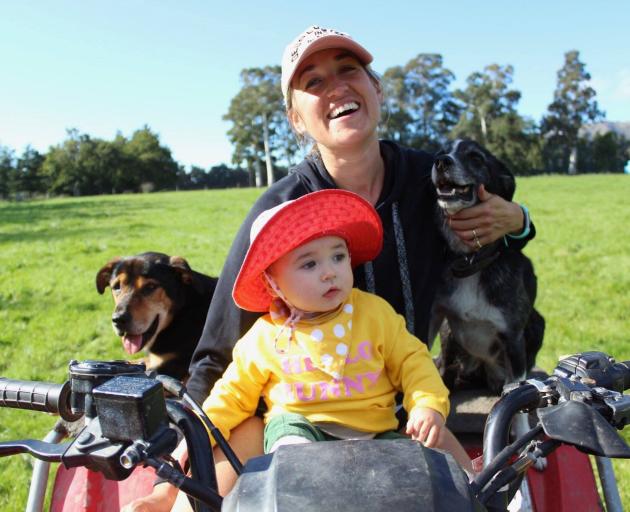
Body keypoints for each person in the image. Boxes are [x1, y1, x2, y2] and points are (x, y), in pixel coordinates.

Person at [124, 25, 534, 511]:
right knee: (238, 450)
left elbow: (498, 243)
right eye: (314, 82)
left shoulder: (432, 179)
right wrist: (168, 479)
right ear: (295, 119)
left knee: (473, 487)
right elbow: (217, 356)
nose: (337, 87)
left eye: (348, 70)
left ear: (376, 89)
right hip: (295, 409)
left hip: (397, 402)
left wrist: (519, 221)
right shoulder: (278, 212)